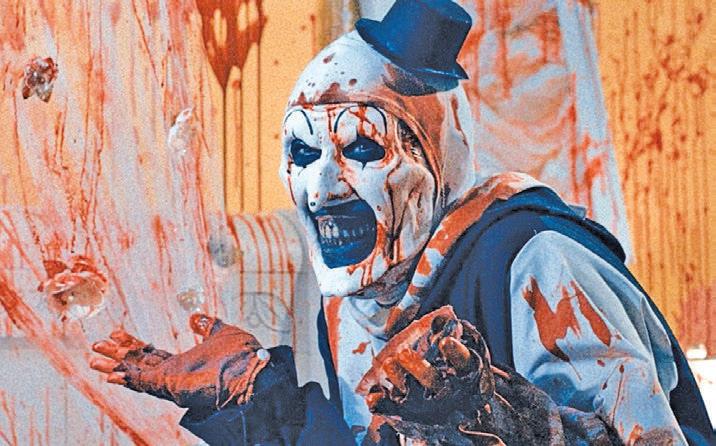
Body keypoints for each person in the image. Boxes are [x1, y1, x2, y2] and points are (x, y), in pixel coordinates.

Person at [90, 1, 713, 444]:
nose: (321, 189)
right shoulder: (352, 300)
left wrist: (492, 413)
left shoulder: (537, 263)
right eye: (303, 152)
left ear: (435, 157)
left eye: (362, 148)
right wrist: (255, 398)